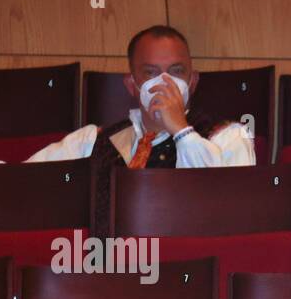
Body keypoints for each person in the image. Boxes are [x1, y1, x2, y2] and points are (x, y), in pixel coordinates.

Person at [27, 24, 255, 233]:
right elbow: (18, 181)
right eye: (151, 73)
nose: (165, 83)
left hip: (185, 271)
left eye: (176, 71)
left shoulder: (229, 137)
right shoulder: (91, 141)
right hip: (104, 271)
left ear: (192, 81)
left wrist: (181, 130)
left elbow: (225, 213)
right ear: (132, 85)